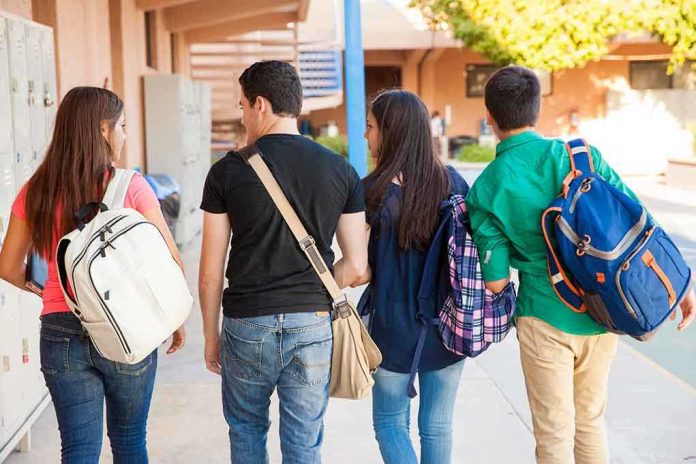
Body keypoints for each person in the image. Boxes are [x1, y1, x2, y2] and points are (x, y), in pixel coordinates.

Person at [465, 66, 695, 464]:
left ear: (489, 116)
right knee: (589, 421)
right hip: (603, 311)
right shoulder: (580, 156)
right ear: (537, 110)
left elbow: (497, 283)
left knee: (554, 432)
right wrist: (678, 288)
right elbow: (638, 222)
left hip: (543, 316)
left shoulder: (486, 187)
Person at [0, 86, 186, 463]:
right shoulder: (130, 185)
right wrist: (172, 316)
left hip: (60, 328)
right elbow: (168, 256)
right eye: (122, 125)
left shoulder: (35, 190)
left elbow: (7, 266)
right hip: (126, 324)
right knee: (130, 439)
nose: (124, 134)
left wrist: (45, 290)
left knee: (79, 449)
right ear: (103, 129)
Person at [198, 60, 369, 464]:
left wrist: (210, 336)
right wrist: (316, 285)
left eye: (241, 107)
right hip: (311, 322)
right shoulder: (341, 170)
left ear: (261, 104)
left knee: (245, 430)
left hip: (246, 323)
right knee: (304, 442)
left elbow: (209, 274)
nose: (242, 119)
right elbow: (357, 266)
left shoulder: (226, 173)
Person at [357, 89, 468, 464]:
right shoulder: (454, 184)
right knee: (438, 425)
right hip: (449, 326)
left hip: (389, 330)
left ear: (391, 132)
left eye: (370, 127)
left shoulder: (370, 193)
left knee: (390, 423)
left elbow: (359, 270)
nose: (365, 136)